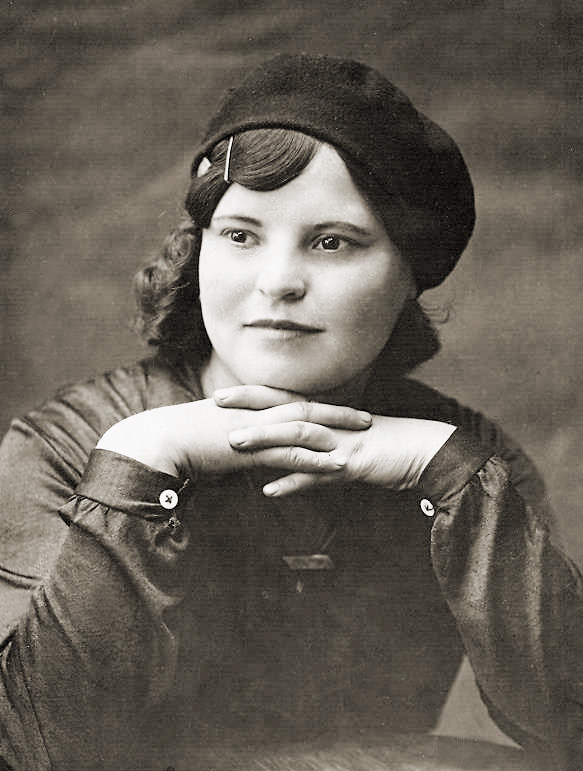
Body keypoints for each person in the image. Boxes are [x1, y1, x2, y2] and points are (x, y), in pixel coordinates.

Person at [0, 53, 581, 770]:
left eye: (332, 242)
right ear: (200, 250)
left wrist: (450, 473)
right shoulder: (66, 443)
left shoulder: (462, 455)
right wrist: (139, 465)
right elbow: (32, 753)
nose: (277, 282)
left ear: (410, 274)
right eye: (240, 235)